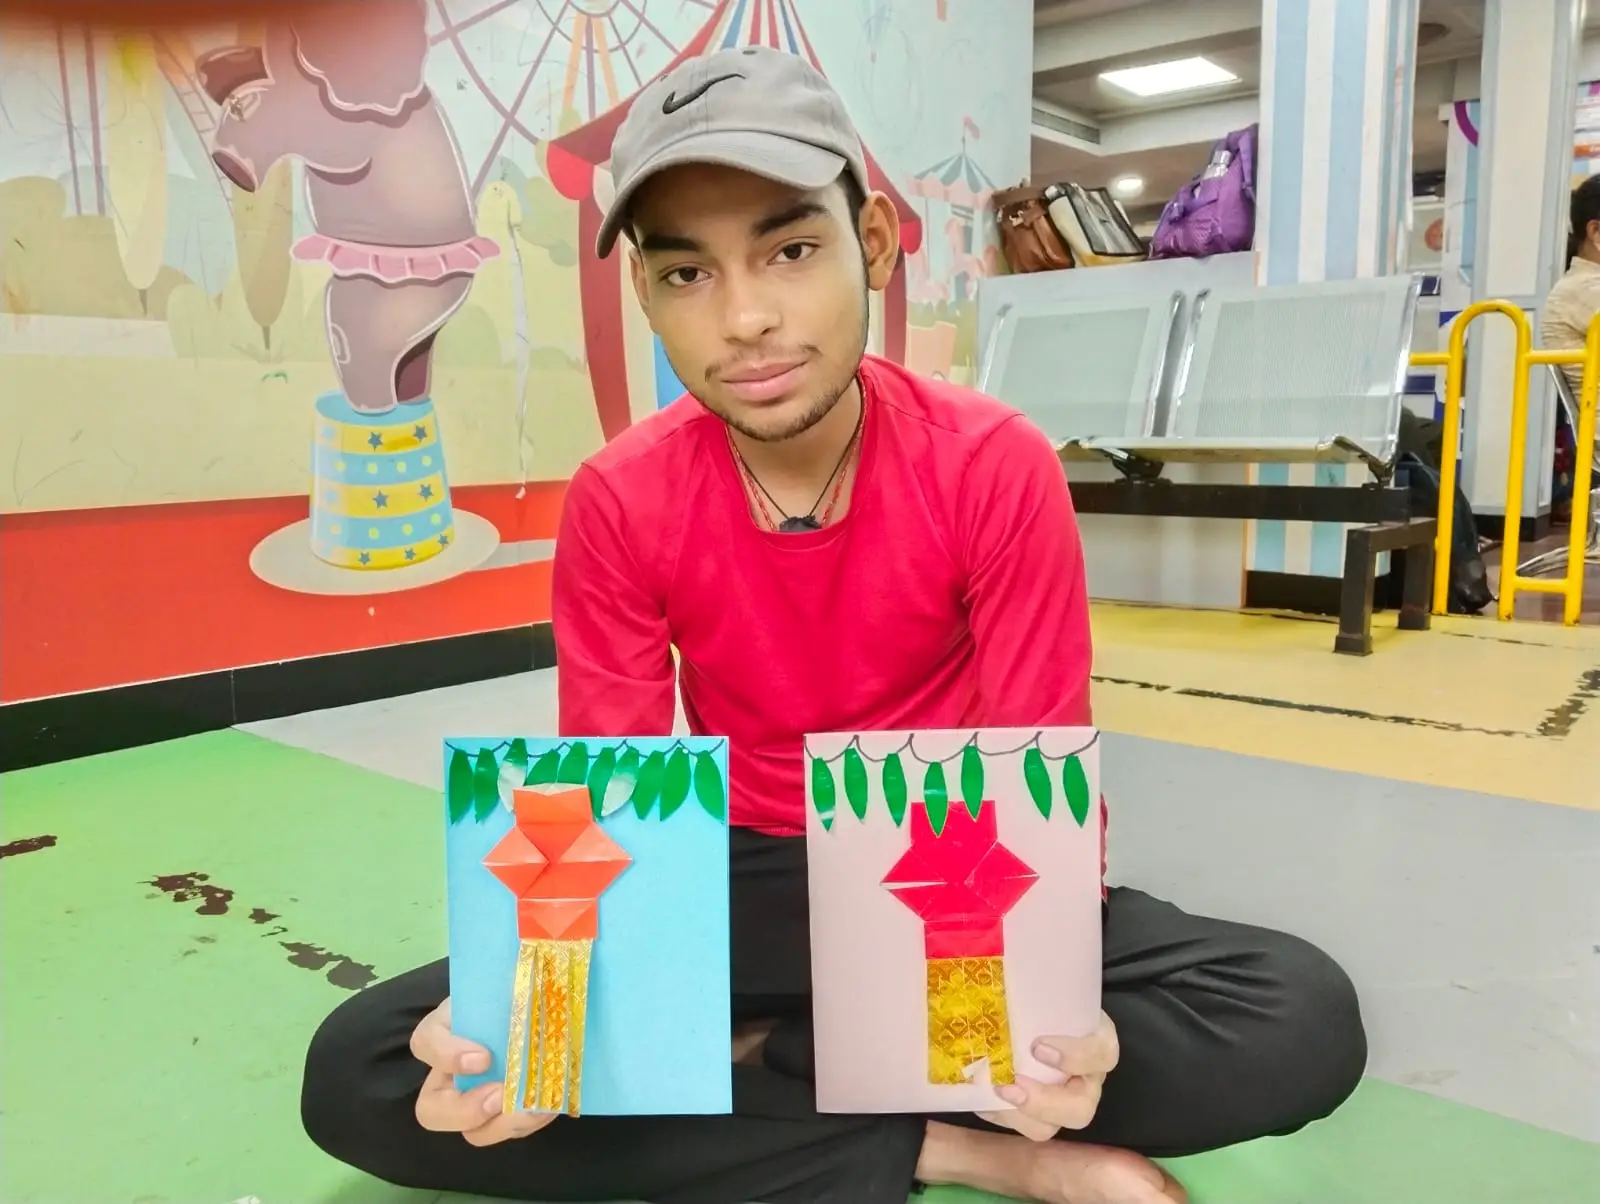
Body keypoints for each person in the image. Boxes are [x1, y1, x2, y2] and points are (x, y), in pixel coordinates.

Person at [300, 47, 1366, 1204]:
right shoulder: (620, 496)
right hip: (733, 876)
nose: (746, 318)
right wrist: (547, 999)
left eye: (790, 250)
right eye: (686, 274)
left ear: (869, 245)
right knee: (364, 1069)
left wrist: (1040, 1009)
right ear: (647, 296)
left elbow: (1037, 779)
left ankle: (769, 1066)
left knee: (1297, 1016)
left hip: (944, 862)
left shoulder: (990, 463)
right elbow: (614, 797)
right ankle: (943, 1142)